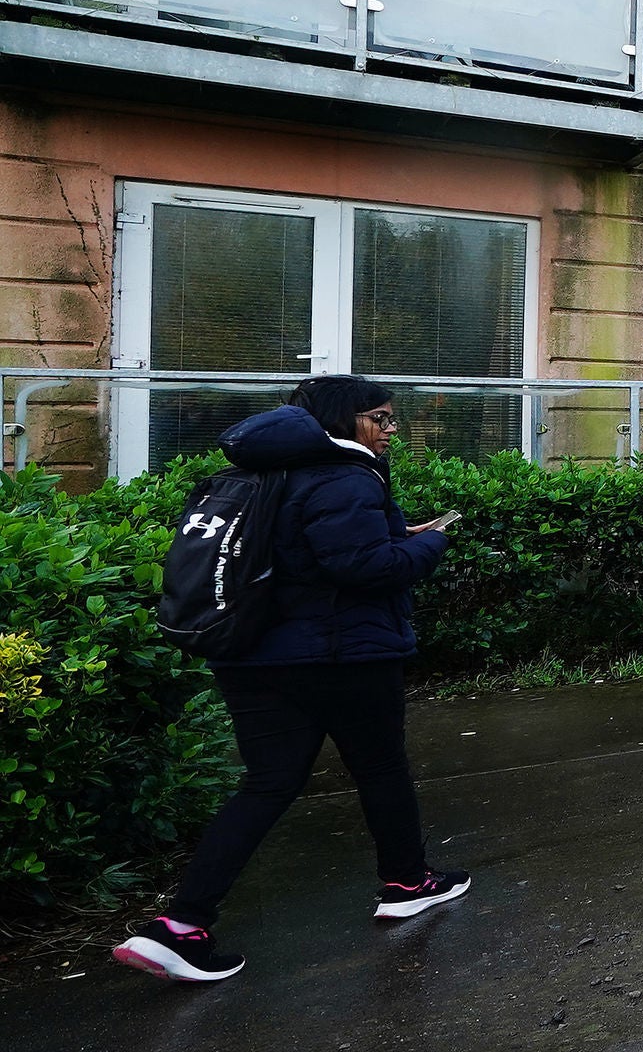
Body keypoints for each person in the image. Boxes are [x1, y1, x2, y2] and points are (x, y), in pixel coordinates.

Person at [112, 377, 470, 985]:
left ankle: (179, 926)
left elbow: (299, 555)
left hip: (250, 658)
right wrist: (430, 544)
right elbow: (364, 568)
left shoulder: (254, 476)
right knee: (380, 768)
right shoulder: (344, 475)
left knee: (267, 784)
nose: (390, 432)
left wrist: (388, 537)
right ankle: (408, 883)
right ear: (344, 420)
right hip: (343, 656)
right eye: (380, 420)